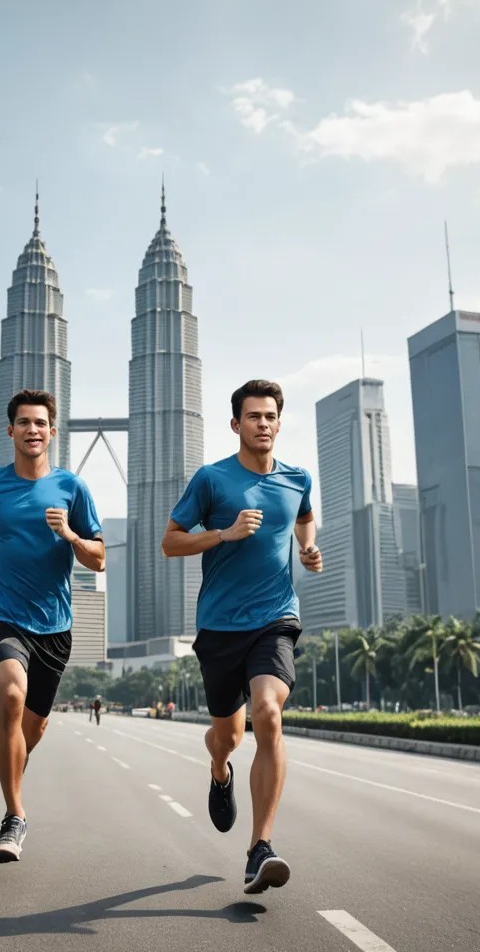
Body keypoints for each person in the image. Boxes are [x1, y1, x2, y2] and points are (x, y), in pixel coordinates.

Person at [161, 379, 322, 895]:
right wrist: (224, 534)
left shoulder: (297, 478)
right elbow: (170, 542)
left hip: (275, 618)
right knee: (228, 737)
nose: (263, 424)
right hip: (219, 626)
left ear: (279, 422)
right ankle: (219, 770)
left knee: (269, 714)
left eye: (271, 416)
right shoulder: (212, 480)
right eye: (254, 416)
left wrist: (308, 548)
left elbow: (304, 518)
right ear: (236, 424)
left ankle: (260, 849)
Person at [0, 388, 105, 864]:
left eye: (40, 423)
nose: (32, 430)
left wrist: (70, 534)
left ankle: (14, 760)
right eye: (24, 422)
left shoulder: (72, 488)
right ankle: (14, 816)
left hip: (55, 627)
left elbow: (98, 559)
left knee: (31, 729)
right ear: (10, 430)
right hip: (2, 616)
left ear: (52, 432)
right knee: (12, 695)